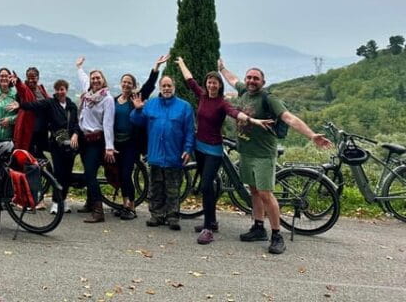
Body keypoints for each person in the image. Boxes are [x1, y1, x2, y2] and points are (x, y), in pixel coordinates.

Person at [218, 59, 333, 254]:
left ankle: (277, 234)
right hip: (246, 152)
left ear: (263, 82)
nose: (251, 81)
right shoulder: (244, 92)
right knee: (254, 191)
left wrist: (311, 135)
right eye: (249, 77)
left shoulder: (269, 99)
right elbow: (232, 79)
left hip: (263, 155)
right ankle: (258, 227)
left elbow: (289, 118)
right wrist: (221, 68)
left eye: (256, 78)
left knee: (265, 193)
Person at [175, 56, 271, 244]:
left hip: (213, 150)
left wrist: (252, 120)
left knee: (205, 186)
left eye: (215, 83)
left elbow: (235, 113)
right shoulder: (202, 95)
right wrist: (181, 64)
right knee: (207, 185)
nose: (211, 85)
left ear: (220, 86)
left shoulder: (222, 103)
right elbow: (190, 80)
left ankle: (208, 228)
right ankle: (211, 221)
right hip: (199, 148)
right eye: (209, 82)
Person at [130, 75, 194, 230]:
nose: (166, 88)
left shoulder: (184, 107)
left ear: (174, 87)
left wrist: (188, 149)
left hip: (174, 154)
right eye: (164, 86)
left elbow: (190, 131)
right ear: (160, 87)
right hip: (155, 155)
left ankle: (172, 216)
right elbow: (136, 121)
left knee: (173, 188)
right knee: (156, 187)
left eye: (169, 85)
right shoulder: (151, 104)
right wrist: (137, 110)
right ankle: (157, 215)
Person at [112, 55, 169, 220]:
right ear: (120, 84)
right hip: (117, 144)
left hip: (131, 144)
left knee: (125, 174)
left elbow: (150, 85)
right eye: (124, 81)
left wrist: (156, 67)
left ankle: (131, 207)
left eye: (130, 82)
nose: (126, 84)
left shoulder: (136, 98)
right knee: (119, 175)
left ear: (134, 86)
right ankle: (124, 205)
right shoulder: (114, 100)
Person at [14, 78, 79, 214]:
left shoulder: (72, 106)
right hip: (56, 143)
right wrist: (21, 104)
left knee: (67, 174)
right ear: (55, 91)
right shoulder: (50, 103)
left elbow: (76, 123)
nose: (60, 92)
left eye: (62, 89)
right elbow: (34, 105)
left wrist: (75, 135)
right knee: (59, 173)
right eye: (58, 89)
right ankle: (56, 202)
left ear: (66, 90)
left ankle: (64, 200)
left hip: (70, 144)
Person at [75, 56, 116, 223]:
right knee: (87, 171)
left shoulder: (107, 99)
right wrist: (79, 67)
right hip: (84, 140)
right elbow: (83, 77)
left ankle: (99, 211)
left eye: (98, 78)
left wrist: (109, 147)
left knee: (90, 174)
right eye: (93, 79)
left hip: (96, 141)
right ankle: (91, 202)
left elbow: (108, 124)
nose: (95, 80)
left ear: (103, 80)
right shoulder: (88, 93)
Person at [13, 67, 50, 155]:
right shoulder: (25, 90)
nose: (30, 80)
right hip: (29, 130)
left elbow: (48, 103)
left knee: (39, 153)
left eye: (33, 78)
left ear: (38, 78)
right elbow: (21, 89)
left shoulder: (41, 89)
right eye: (28, 78)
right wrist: (18, 81)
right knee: (29, 154)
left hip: (41, 130)